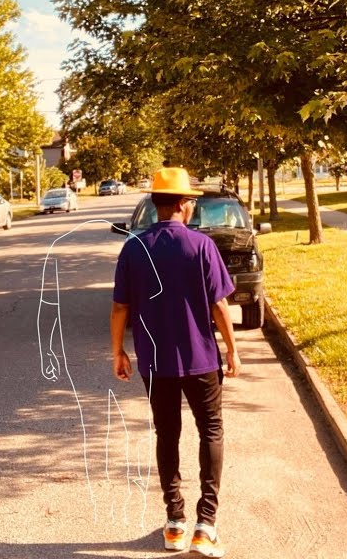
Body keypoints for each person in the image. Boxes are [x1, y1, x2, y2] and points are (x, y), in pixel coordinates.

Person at [111, 167, 240, 557]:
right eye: (191, 201)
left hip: (155, 362)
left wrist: (118, 351)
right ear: (183, 204)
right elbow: (219, 305)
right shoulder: (201, 246)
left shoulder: (134, 247)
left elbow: (120, 307)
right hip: (201, 359)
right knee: (211, 431)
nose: (192, 207)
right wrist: (232, 349)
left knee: (167, 434)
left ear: (155, 204)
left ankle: (175, 523)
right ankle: (205, 525)